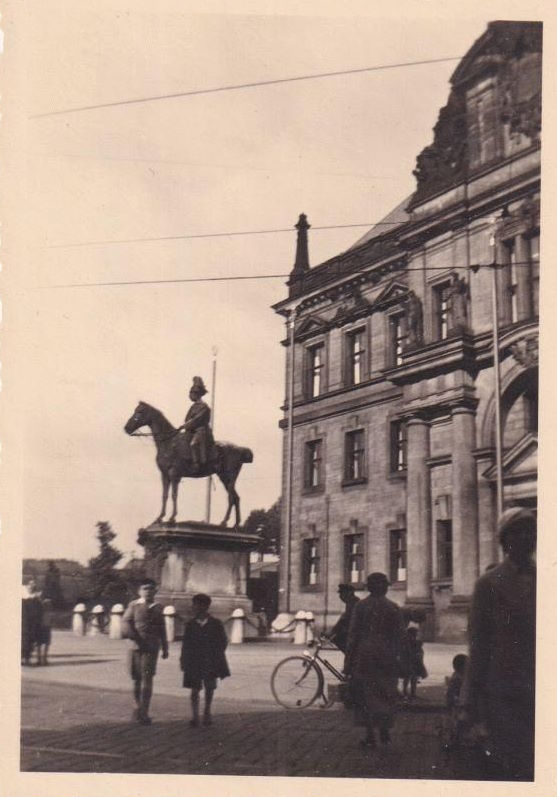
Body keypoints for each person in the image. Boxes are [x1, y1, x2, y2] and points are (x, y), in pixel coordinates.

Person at [460, 507, 536, 780]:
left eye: (531, 531)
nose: (527, 538)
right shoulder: (488, 584)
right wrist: (468, 701)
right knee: (512, 763)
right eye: (519, 532)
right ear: (505, 540)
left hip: (540, 690)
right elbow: (478, 646)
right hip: (504, 690)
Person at [345, 572, 405, 749]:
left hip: (365, 656)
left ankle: (370, 735)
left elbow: (353, 635)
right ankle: (385, 733)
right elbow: (400, 636)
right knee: (386, 693)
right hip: (387, 656)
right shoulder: (393, 607)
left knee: (366, 695)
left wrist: (348, 661)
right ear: (384, 588)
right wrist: (399, 658)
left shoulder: (361, 607)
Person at [122, 578, 169, 725]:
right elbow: (126, 623)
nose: (148, 591)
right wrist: (134, 637)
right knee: (136, 678)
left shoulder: (158, 607)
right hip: (135, 646)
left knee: (147, 679)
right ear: (139, 591)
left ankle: (145, 711)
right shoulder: (134, 605)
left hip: (151, 648)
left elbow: (162, 629)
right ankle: (136, 707)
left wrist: (165, 647)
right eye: (145, 588)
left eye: (151, 588)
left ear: (155, 590)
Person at [180, 593, 230, 727]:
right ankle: (195, 715)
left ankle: (207, 711)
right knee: (194, 689)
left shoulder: (216, 623)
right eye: (195, 604)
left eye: (201, 605)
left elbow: (223, 641)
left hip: (210, 659)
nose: (197, 608)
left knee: (209, 686)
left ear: (207, 606)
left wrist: (216, 655)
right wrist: (183, 660)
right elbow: (186, 644)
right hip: (194, 660)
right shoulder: (190, 624)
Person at [182, 376, 214, 473]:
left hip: (201, 431)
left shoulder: (204, 406)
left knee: (193, 444)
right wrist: (185, 425)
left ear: (198, 394)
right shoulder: (193, 406)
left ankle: (197, 464)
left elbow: (197, 419)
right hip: (192, 430)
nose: (190, 395)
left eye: (192, 393)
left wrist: (187, 424)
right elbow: (188, 419)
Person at [444, 653, 468, 750]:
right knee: (457, 722)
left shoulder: (459, 676)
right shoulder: (457, 678)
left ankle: (457, 739)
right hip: (457, 704)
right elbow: (451, 693)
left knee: (458, 723)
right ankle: (455, 740)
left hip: (459, 703)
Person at [326, 583, 360, 653]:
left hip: (356, 634)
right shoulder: (352, 602)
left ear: (349, 593)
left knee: (338, 639)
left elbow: (344, 620)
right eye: (340, 594)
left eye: (342, 593)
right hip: (355, 633)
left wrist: (332, 632)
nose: (340, 596)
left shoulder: (353, 603)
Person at [400, 626, 427, 700]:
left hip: (414, 661)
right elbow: (407, 651)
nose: (416, 634)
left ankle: (411, 693)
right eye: (415, 633)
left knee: (412, 677)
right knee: (409, 677)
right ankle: (407, 692)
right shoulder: (406, 640)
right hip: (409, 661)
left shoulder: (411, 640)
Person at [21, 579, 42, 666]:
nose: (32, 586)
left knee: (31, 640)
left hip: (33, 622)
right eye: (30, 584)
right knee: (24, 639)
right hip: (24, 622)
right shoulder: (23, 598)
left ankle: (27, 658)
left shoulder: (36, 598)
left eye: (33, 584)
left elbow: (40, 610)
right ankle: (23, 658)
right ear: (26, 586)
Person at [36, 598, 53, 666]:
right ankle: (39, 659)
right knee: (40, 645)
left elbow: (51, 622)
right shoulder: (40, 613)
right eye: (47, 605)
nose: (49, 606)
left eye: (49, 605)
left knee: (46, 645)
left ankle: (44, 659)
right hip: (41, 629)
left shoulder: (50, 613)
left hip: (47, 629)